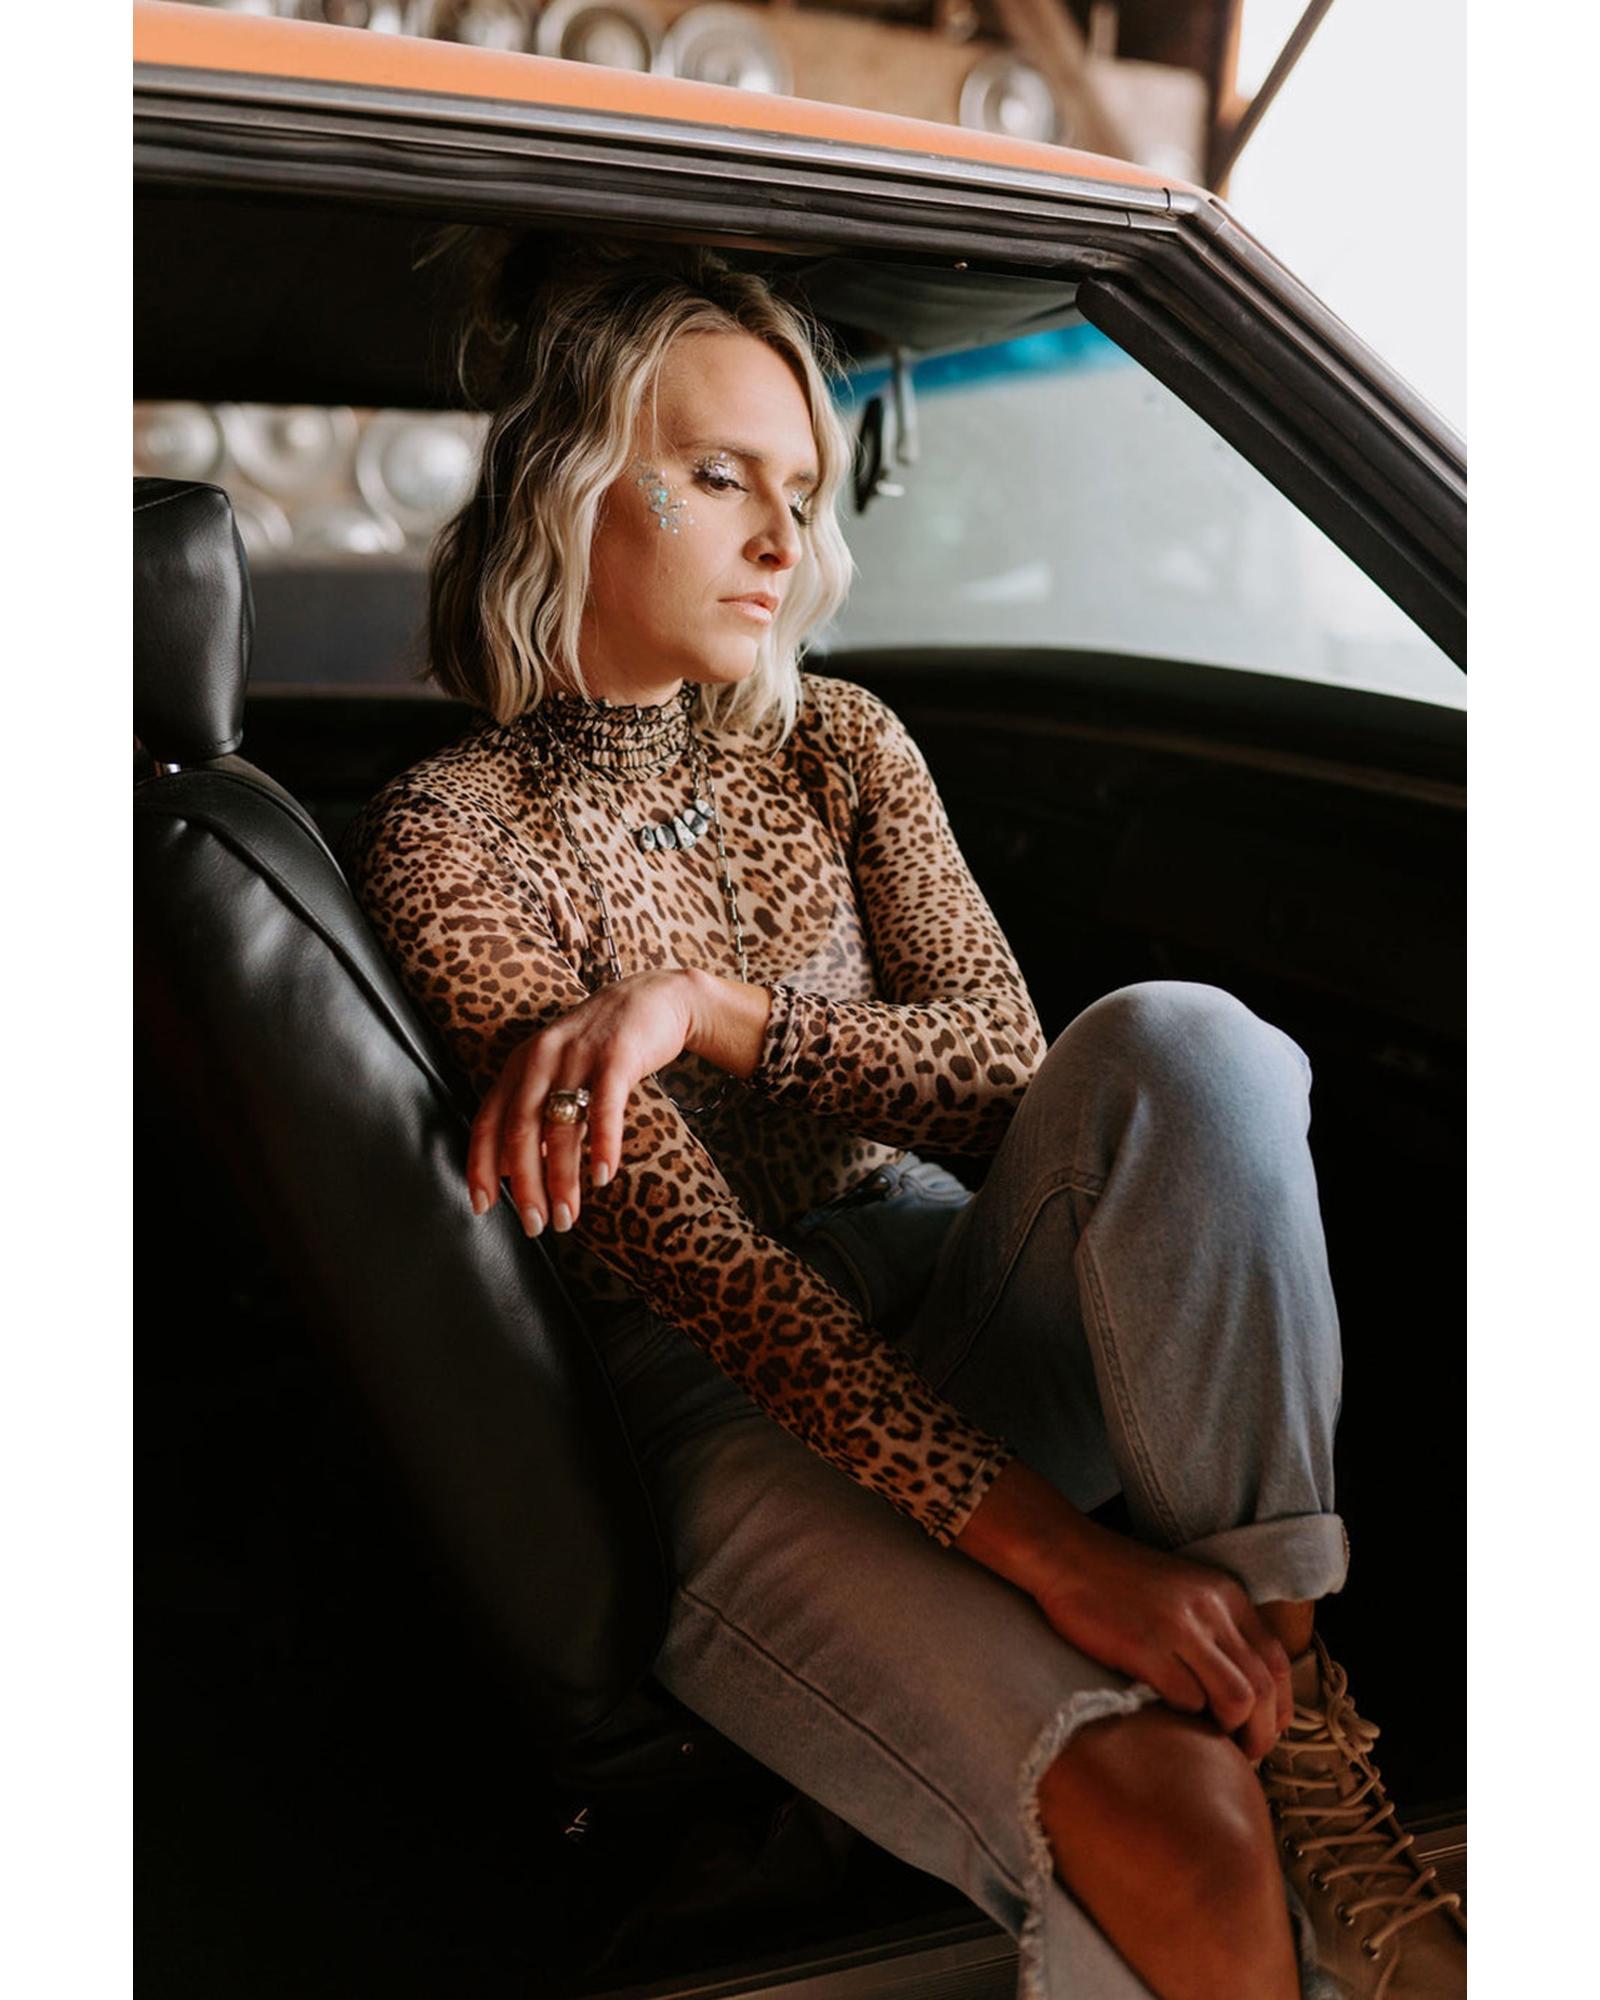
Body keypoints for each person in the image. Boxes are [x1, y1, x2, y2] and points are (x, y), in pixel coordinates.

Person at [346, 238, 1464, 2000]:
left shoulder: (844, 744)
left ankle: (1296, 1700)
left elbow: (1015, 1086)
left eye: (800, 492)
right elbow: (710, 1275)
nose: (783, 543)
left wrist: (713, 1013)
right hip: (719, 1399)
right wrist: (1071, 1564)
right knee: (1175, 1826)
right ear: (572, 483)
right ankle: (1234, 1761)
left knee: (1191, 1043)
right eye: (720, 476)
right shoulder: (450, 836)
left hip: (966, 1291)